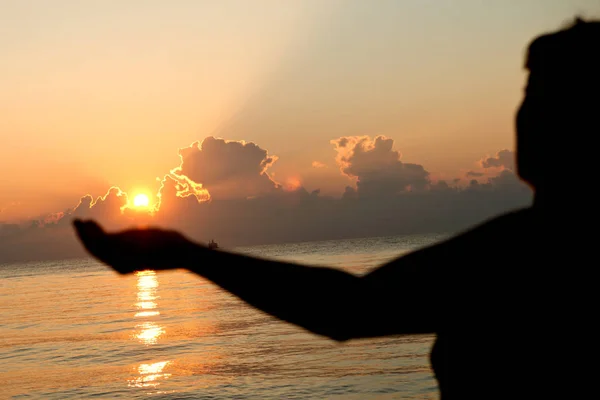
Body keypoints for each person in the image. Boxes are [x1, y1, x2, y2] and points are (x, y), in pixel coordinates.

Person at [73, 18, 599, 399]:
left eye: (548, 95)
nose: (529, 113)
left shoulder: (534, 248)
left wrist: (186, 254)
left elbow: (347, 309)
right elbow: (352, 306)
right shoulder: (527, 241)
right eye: (529, 92)